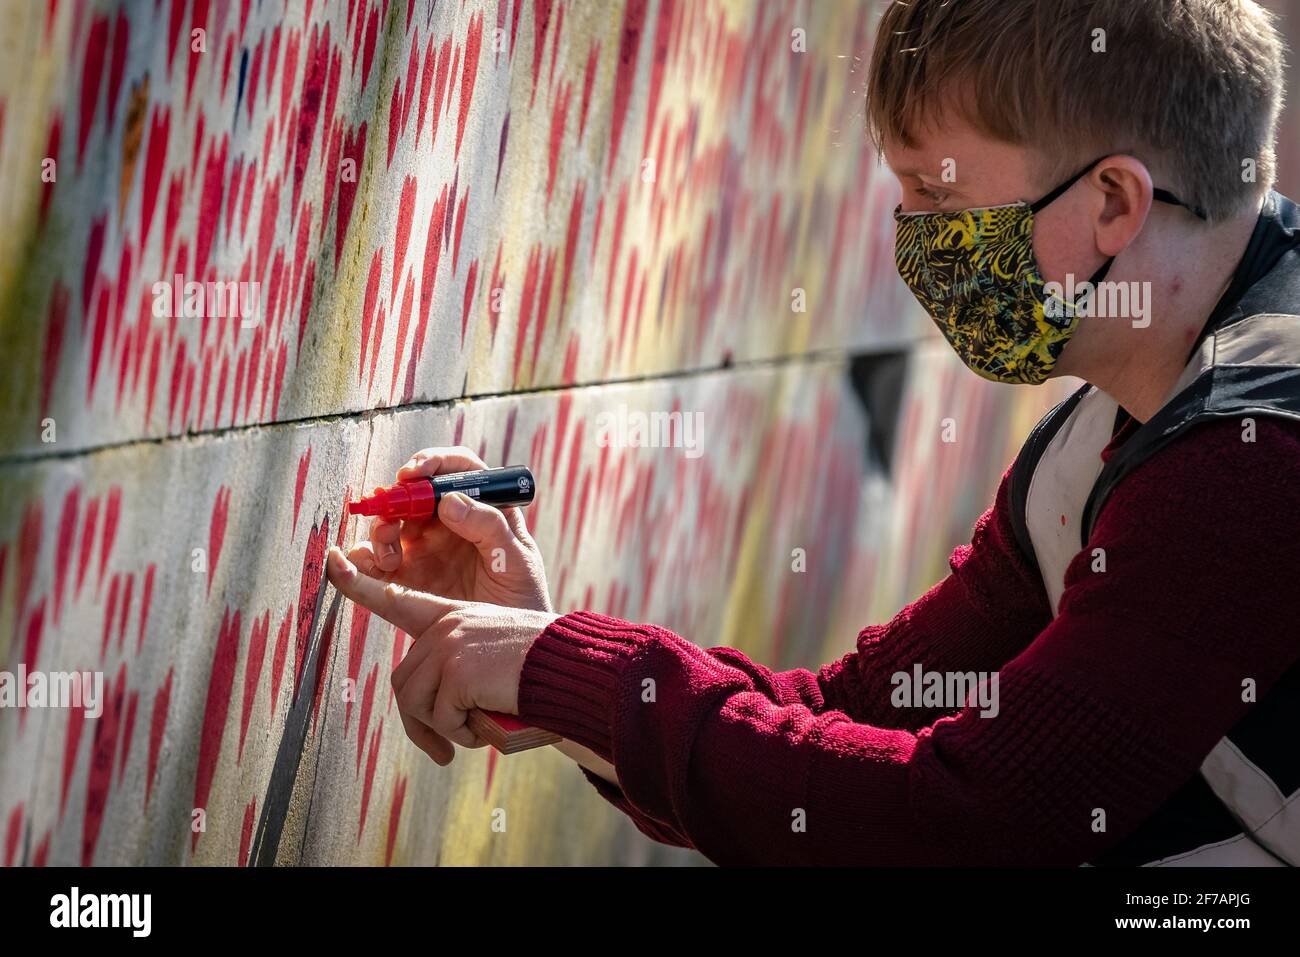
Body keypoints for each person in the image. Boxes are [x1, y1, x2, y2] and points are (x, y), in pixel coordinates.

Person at [326, 0, 1300, 865]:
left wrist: (579, 672)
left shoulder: (1250, 463)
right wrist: (550, 658)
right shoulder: (1106, 435)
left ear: (1113, 203)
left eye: (943, 196)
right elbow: (842, 719)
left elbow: (956, 823)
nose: (908, 232)